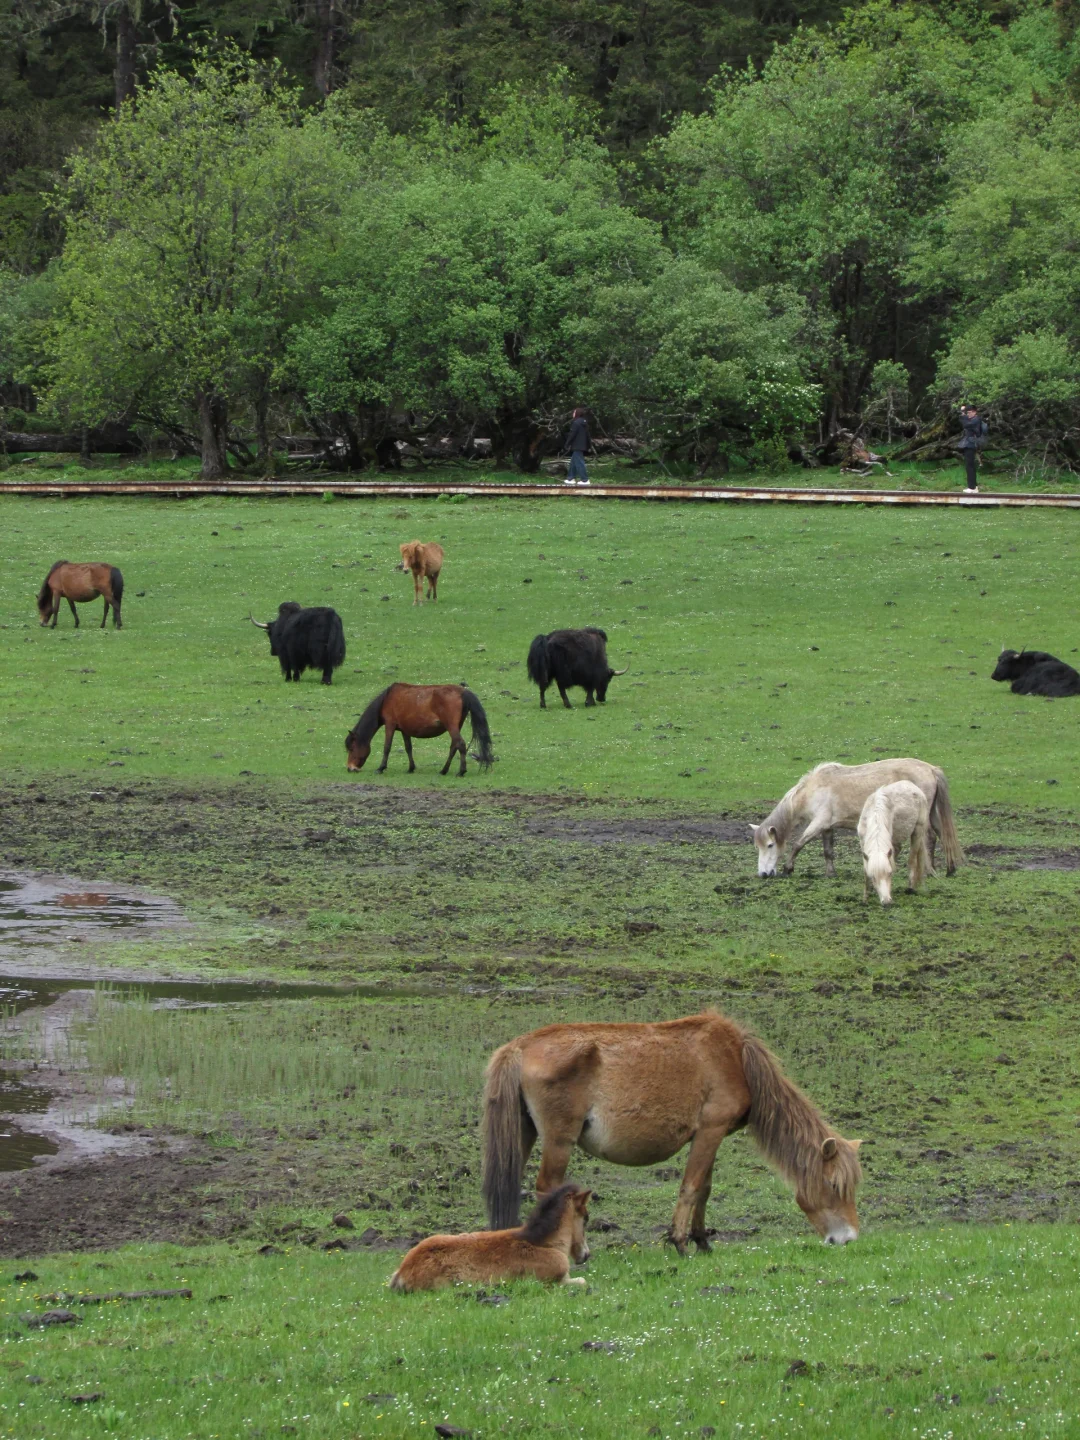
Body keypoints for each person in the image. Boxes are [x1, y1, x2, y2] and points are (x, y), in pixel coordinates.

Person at [957, 404, 987, 493]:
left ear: (975, 412)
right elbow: (964, 422)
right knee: (969, 465)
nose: (968, 414)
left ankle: (972, 487)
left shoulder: (976, 420)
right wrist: (963, 414)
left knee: (970, 466)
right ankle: (974, 486)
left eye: (969, 413)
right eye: (967, 413)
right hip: (969, 443)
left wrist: (963, 414)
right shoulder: (972, 419)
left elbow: (966, 425)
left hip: (972, 444)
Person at [563, 406, 590, 486]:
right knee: (573, 462)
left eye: (574, 412)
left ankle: (585, 480)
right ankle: (570, 478)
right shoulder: (584, 422)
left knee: (579, 462)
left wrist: (567, 444)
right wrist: (589, 445)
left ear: (577, 413)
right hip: (582, 445)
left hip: (577, 445)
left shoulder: (576, 423)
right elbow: (588, 435)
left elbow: (572, 434)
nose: (573, 414)